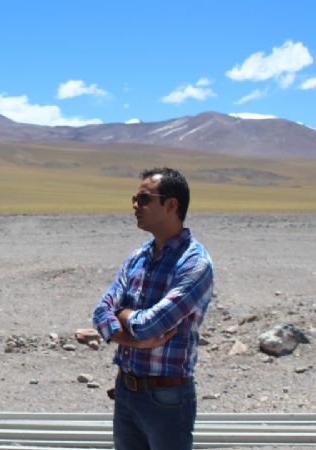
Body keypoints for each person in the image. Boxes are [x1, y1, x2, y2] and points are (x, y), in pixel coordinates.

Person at [92, 167, 214, 450]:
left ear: (172, 205)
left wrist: (121, 315)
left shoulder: (195, 264)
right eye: (134, 198)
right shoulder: (137, 257)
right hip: (126, 390)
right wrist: (123, 335)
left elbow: (151, 326)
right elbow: (100, 310)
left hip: (167, 396)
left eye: (145, 199)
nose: (136, 206)